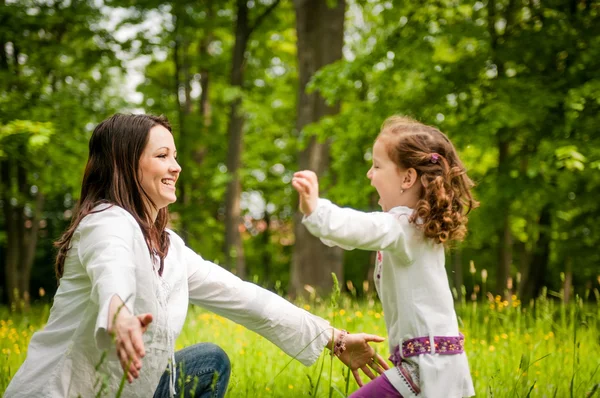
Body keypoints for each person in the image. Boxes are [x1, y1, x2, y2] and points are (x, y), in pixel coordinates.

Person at [4, 114, 390, 398]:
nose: (176, 166)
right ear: (125, 162)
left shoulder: (167, 246)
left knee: (209, 360)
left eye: (175, 155)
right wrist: (119, 314)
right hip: (63, 392)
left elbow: (245, 298)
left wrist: (333, 339)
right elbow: (112, 267)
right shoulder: (105, 222)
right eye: (162, 156)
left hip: (126, 391)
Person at [292, 116, 478, 398]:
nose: (370, 174)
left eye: (377, 166)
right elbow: (357, 235)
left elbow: (359, 228)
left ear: (407, 178)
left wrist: (316, 209)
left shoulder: (404, 226)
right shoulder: (417, 228)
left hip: (426, 371)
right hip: (432, 367)